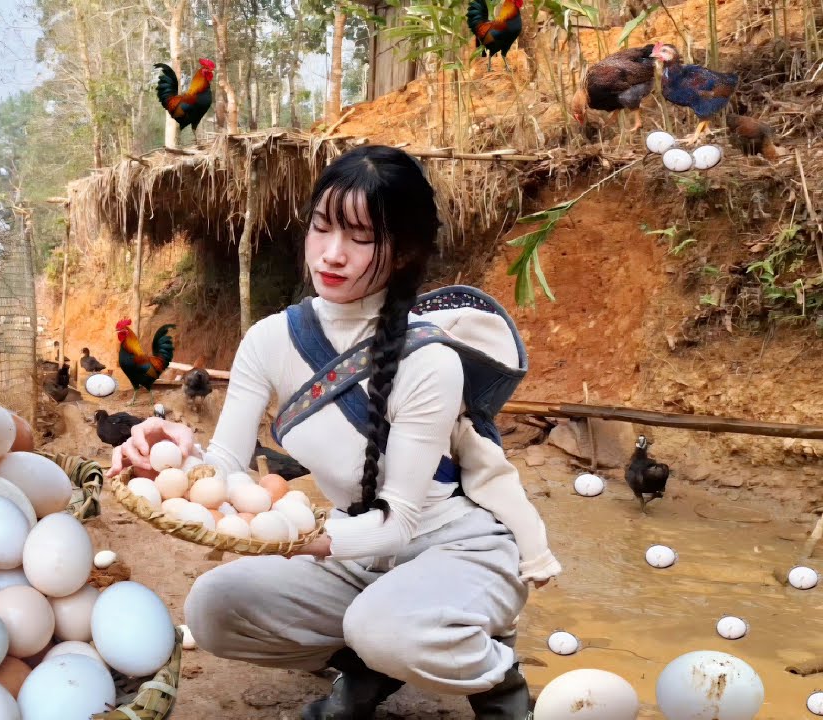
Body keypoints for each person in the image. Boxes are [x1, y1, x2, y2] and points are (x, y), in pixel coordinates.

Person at [108, 144, 561, 720]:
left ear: (405, 252)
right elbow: (226, 466)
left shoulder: (430, 362)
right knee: (214, 609)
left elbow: (400, 522)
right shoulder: (269, 340)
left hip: (455, 548)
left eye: (361, 237)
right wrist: (173, 461)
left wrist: (295, 540)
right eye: (322, 227)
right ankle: (371, 665)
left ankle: (496, 676)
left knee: (385, 628)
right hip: (358, 557)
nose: (332, 253)